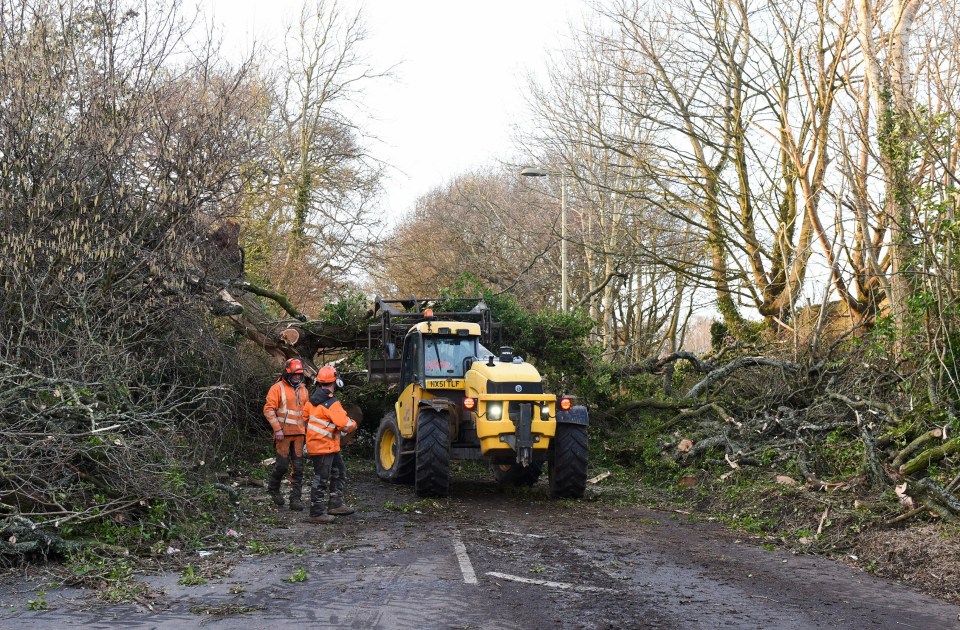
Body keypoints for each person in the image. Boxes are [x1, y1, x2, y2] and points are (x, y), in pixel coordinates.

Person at [303, 366, 357, 524]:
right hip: (324, 447)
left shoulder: (312, 401)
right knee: (321, 478)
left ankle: (335, 504)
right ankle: (316, 513)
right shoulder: (331, 403)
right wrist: (353, 423)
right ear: (336, 381)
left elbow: (305, 418)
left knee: (339, 471)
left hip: (324, 446)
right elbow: (345, 425)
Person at [263, 358, 309, 511]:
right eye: (294, 374)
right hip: (283, 434)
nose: (297, 377)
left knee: (298, 468)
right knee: (282, 466)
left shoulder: (303, 389)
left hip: (299, 435)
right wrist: (277, 429)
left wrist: (308, 433)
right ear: (287, 373)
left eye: (299, 374)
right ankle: (273, 488)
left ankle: (295, 499)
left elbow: (307, 413)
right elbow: (268, 409)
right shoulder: (277, 388)